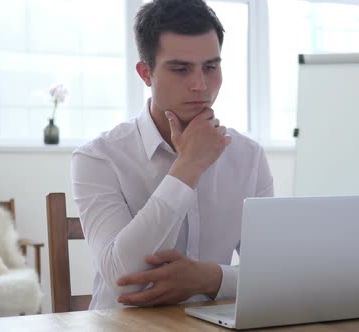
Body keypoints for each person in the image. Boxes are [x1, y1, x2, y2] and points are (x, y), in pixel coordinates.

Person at [71, 0, 273, 310]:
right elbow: (121, 276)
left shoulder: (248, 157)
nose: (200, 85)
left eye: (211, 67)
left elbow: (272, 274)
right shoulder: (98, 158)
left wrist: (210, 279)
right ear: (145, 73)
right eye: (180, 69)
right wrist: (188, 166)